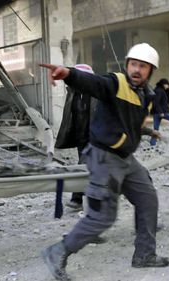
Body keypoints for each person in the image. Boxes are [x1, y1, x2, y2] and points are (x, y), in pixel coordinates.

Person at [40, 43, 169, 281]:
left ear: (151, 70)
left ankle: (144, 255)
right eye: (133, 64)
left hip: (126, 158)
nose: (136, 70)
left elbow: (131, 123)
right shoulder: (116, 83)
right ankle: (58, 251)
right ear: (127, 65)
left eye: (142, 66)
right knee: (102, 218)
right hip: (104, 158)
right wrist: (68, 73)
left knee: (147, 199)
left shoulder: (146, 96)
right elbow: (94, 83)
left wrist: (149, 132)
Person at [55, 63, 97, 211]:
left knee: (82, 164)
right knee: (88, 166)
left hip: (95, 137)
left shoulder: (96, 95)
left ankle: (77, 198)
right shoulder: (72, 93)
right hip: (80, 136)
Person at [150, 78, 169, 145]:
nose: (168, 86)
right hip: (161, 112)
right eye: (167, 85)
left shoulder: (159, 90)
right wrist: (160, 112)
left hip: (157, 112)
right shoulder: (159, 91)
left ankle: (153, 142)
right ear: (164, 84)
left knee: (156, 128)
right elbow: (155, 102)